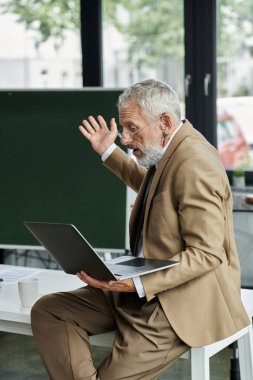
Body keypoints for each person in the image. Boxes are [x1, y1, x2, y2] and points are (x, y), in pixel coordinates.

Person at [31, 79, 250, 380]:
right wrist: (108, 152)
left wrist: (137, 285)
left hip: (177, 300)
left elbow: (206, 254)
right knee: (51, 310)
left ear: (164, 122)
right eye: (124, 129)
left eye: (132, 128)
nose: (125, 137)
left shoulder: (195, 162)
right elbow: (153, 189)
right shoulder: (169, 148)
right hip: (141, 284)